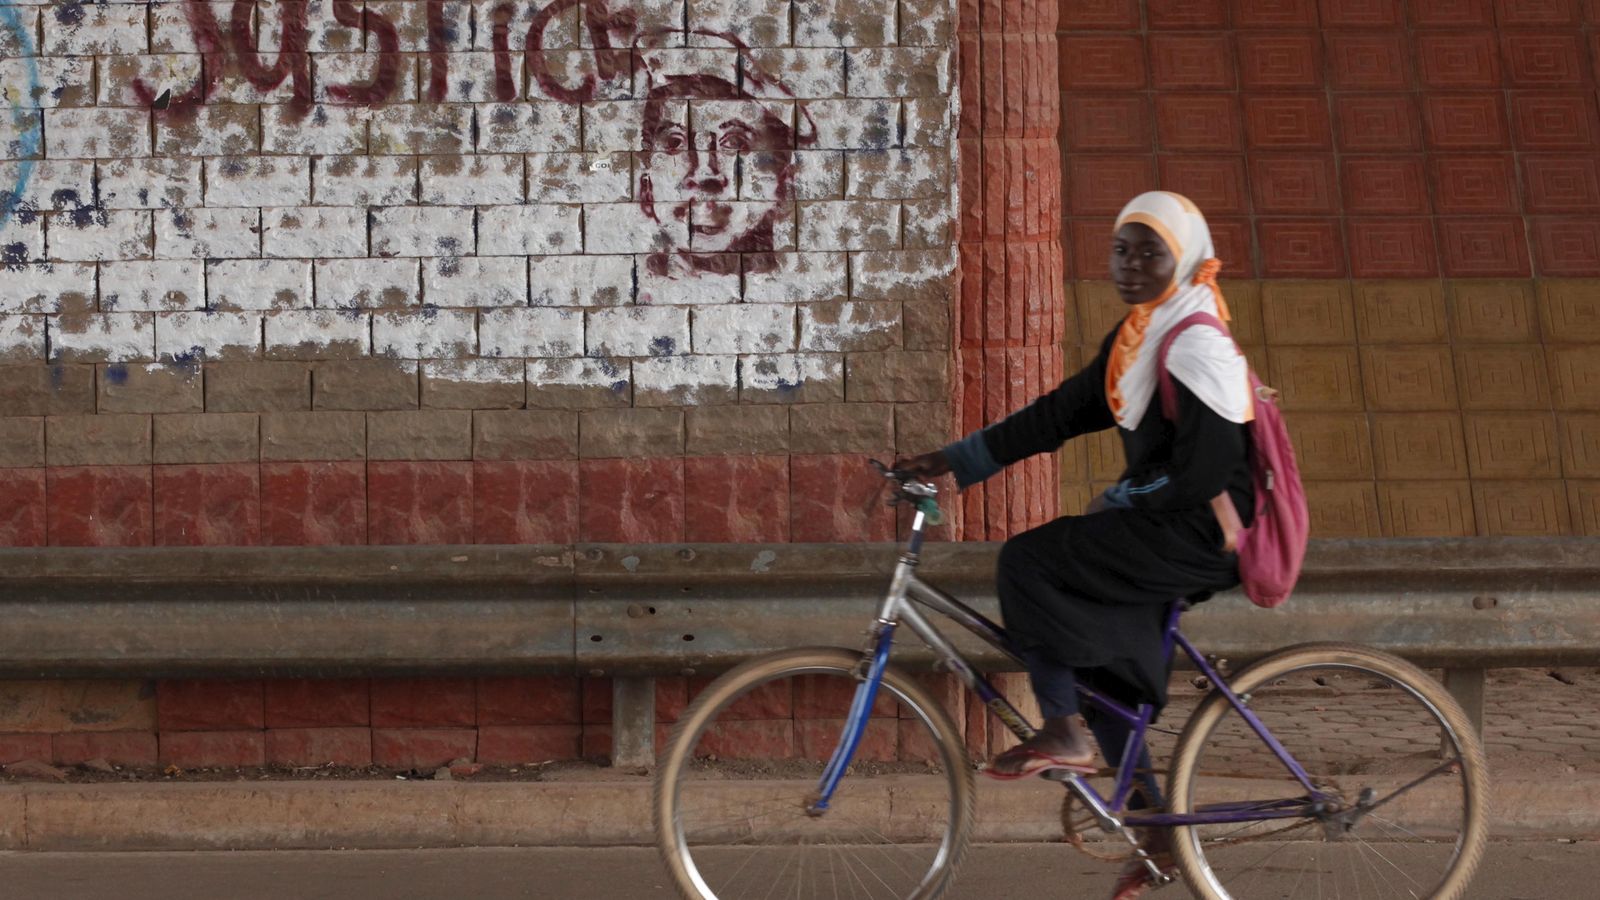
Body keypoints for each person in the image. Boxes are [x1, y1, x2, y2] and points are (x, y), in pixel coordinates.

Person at [894, 190, 1255, 900]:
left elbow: (1207, 472)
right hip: (1169, 521)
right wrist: (956, 459)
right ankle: (1158, 832)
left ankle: (1062, 732)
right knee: (1102, 669)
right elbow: (1060, 413)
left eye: (1149, 251)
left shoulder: (1198, 341)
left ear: (1182, 258)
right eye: (1121, 249)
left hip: (1203, 531)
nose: (1129, 264)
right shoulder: (1141, 336)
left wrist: (1127, 499)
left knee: (1030, 560)